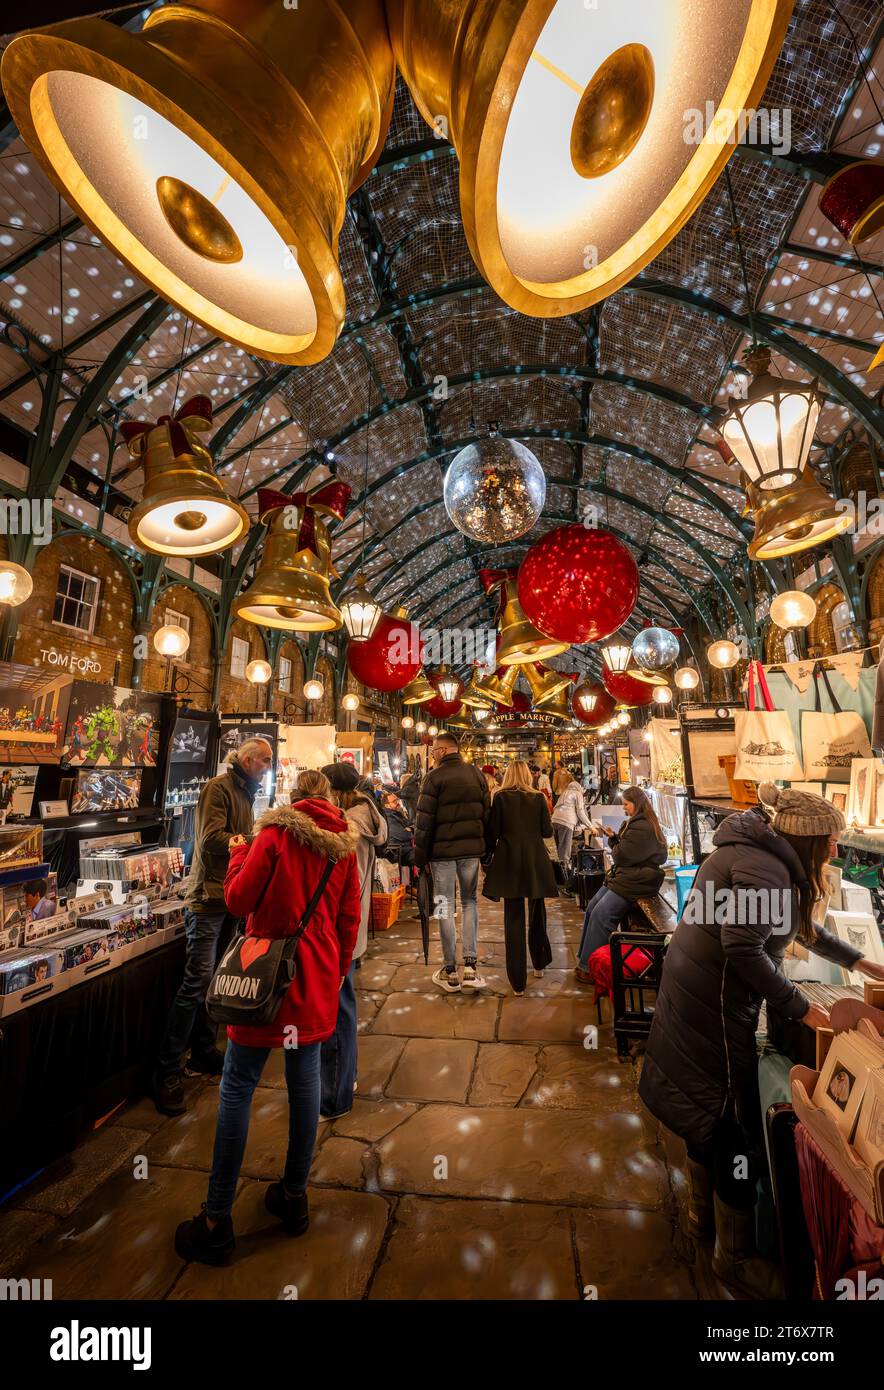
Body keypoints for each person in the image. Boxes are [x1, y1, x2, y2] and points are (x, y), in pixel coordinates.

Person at [639, 783, 884, 1299]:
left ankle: (700, 1218)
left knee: (702, 1117)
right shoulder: (768, 870)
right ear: (810, 843)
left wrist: (858, 961)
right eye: (833, 843)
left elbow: (798, 929)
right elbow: (745, 950)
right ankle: (735, 1259)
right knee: (731, 1127)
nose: (837, 852)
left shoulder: (754, 855)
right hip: (712, 1013)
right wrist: (802, 1009)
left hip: (692, 1000)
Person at [174, 776, 360, 1265]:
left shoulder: (273, 837)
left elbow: (237, 901)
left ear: (295, 801)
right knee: (305, 1085)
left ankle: (216, 1219)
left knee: (238, 1084)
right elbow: (349, 919)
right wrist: (334, 972)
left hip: (263, 975)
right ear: (330, 804)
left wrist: (238, 854)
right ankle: (294, 1198)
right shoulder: (343, 848)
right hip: (314, 975)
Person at [153, 738, 273, 1116]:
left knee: (217, 979)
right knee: (197, 980)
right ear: (249, 759)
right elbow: (210, 839)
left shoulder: (246, 791)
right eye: (266, 761)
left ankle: (203, 1051)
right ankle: (167, 1070)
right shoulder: (218, 789)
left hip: (231, 898)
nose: (269, 767)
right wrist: (256, 841)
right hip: (207, 898)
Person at [319, 761, 388, 1118]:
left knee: (338, 1010)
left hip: (341, 932)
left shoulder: (350, 826)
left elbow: (350, 885)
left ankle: (335, 1094)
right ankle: (347, 1077)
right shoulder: (362, 817)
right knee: (343, 1006)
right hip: (350, 931)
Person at [414, 730, 490, 993]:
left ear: (444, 750)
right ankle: (470, 965)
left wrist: (419, 857)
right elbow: (486, 816)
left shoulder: (433, 778)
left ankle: (450, 970)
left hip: (442, 855)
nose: (433, 755)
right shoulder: (476, 775)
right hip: (470, 853)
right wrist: (486, 850)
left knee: (445, 906)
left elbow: (423, 824)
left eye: (434, 751)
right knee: (469, 903)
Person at [574, 785, 666, 981]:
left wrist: (614, 842)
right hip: (627, 877)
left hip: (635, 882)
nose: (624, 808)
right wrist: (615, 838)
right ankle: (584, 961)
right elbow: (626, 854)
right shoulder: (638, 823)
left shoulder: (642, 827)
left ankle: (593, 969)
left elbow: (621, 856)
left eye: (626, 804)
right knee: (592, 908)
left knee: (601, 916)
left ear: (637, 804)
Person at [483, 760, 555, 994]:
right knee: (537, 914)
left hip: (509, 861)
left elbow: (492, 832)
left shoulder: (501, 798)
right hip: (535, 861)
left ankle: (517, 982)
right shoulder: (538, 798)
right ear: (528, 775)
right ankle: (540, 964)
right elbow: (547, 832)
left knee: (513, 919)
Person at [550, 771, 595, 868]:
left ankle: (560, 875)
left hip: (554, 821)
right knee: (565, 854)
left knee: (559, 851)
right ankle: (566, 877)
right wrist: (591, 827)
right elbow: (580, 812)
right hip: (566, 823)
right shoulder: (578, 793)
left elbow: (556, 808)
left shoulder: (565, 792)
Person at [380, 790, 414, 867]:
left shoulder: (397, 813)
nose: (398, 802)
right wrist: (411, 830)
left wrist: (411, 829)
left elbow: (413, 825)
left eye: (397, 800)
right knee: (423, 854)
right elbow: (405, 836)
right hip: (400, 853)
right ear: (387, 805)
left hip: (407, 848)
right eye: (394, 801)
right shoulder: (388, 818)